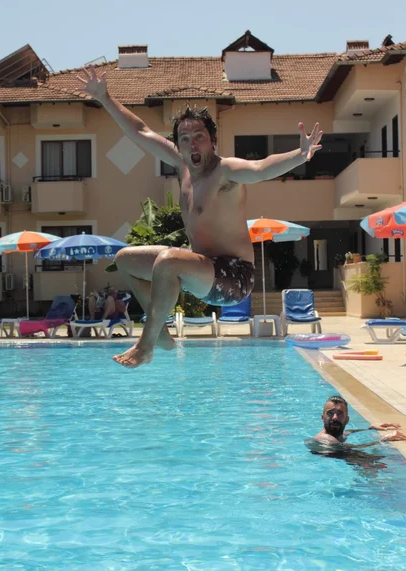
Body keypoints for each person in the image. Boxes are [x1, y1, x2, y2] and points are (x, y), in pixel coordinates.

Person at [76, 66, 323, 368]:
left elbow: (261, 169)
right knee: (126, 259)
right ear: (178, 145)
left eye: (199, 137)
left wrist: (299, 155)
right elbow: (140, 131)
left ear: (212, 140)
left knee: (167, 261)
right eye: (184, 139)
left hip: (235, 278)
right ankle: (161, 330)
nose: (192, 144)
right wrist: (104, 97)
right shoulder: (182, 165)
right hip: (203, 272)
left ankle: (146, 344)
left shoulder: (225, 171)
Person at [307, 395, 406, 451]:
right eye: (330, 413)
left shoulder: (337, 434)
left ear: (347, 420)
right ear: (322, 418)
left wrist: (370, 428)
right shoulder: (324, 438)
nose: (335, 417)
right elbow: (354, 449)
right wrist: (383, 439)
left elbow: (347, 432)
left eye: (340, 414)